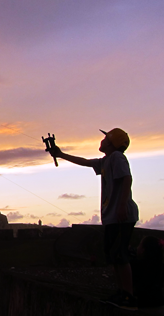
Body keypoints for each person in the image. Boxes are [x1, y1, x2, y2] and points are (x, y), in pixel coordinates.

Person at [49, 128, 138, 310]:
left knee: (120, 255)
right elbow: (86, 162)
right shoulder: (106, 160)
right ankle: (122, 293)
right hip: (113, 216)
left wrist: (121, 206)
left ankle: (129, 296)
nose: (102, 140)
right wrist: (61, 154)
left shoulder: (117, 158)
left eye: (106, 138)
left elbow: (127, 179)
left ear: (112, 143)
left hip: (121, 215)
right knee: (113, 255)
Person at [131, 236, 164, 308]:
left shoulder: (137, 265)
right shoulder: (159, 266)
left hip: (142, 302)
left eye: (139, 244)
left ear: (143, 250)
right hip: (158, 301)